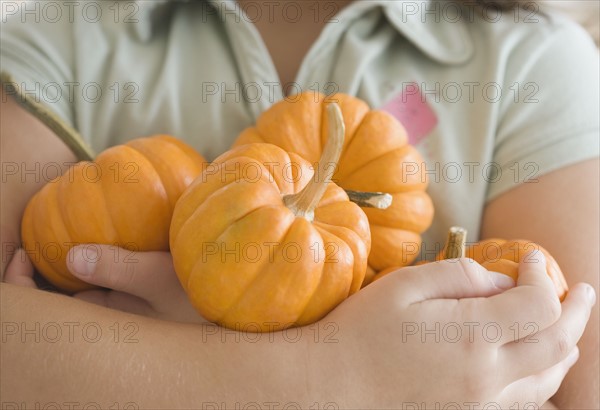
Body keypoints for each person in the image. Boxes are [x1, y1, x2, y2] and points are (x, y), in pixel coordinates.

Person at [1, 0, 598, 408]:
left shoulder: (536, 64)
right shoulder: (56, 40)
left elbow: (571, 390)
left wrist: (117, 367)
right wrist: (345, 379)